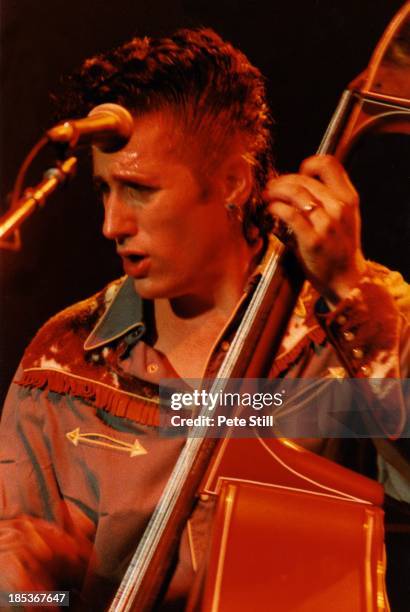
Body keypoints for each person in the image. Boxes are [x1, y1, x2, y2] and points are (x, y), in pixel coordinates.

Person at [0, 28, 409, 610]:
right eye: (103, 191)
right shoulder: (63, 357)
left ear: (232, 184)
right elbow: (23, 598)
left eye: (138, 189)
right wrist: (41, 597)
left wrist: (348, 289)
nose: (111, 224)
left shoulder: (353, 322)